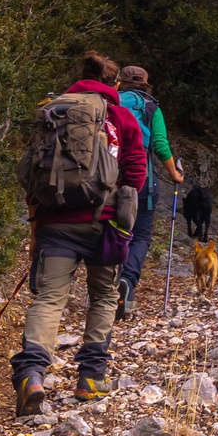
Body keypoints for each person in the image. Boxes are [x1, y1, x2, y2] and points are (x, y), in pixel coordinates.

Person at [11, 51, 147, 415]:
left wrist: (36, 224)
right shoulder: (121, 117)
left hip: (56, 221)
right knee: (103, 295)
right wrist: (122, 217)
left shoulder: (55, 112)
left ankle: (32, 375)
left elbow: (33, 171)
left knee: (49, 299)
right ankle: (90, 378)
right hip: (105, 224)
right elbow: (136, 172)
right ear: (113, 85)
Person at [115, 65, 184, 317]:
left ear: (119, 82)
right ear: (146, 83)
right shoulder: (151, 107)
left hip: (109, 178)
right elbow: (160, 145)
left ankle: (106, 289)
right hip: (142, 179)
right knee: (140, 235)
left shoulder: (109, 101)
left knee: (113, 230)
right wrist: (174, 174)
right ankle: (128, 283)